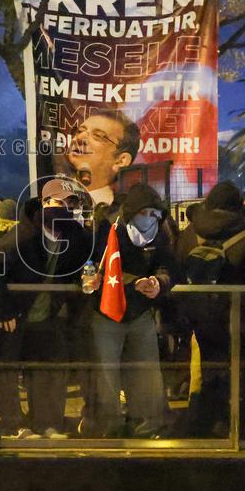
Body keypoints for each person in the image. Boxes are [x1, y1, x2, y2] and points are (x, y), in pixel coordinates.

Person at [0, 178, 91, 439]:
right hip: (16, 314)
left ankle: (47, 422)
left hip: (46, 315)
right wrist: (3, 309)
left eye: (69, 203)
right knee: (8, 370)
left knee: (48, 370)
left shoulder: (74, 236)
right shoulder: (24, 234)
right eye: (57, 202)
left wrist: (85, 279)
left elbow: (82, 263)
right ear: (43, 203)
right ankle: (13, 424)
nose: (63, 208)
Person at [174, 182, 245, 437]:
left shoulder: (190, 233)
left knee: (203, 367)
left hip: (199, 315)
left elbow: (177, 268)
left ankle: (199, 420)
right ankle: (231, 424)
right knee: (236, 368)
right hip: (237, 318)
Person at [81, 183, 174, 438]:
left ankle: (146, 423)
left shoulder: (159, 233)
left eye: (155, 213)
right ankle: (109, 425)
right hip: (107, 312)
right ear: (132, 211)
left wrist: (159, 283)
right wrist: (135, 281)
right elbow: (99, 267)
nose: (150, 218)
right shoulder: (108, 229)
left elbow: (167, 266)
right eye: (145, 212)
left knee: (146, 370)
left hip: (140, 312)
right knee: (106, 373)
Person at [61, 110, 141, 206]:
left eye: (98, 136)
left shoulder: (122, 213)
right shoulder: (47, 193)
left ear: (121, 161)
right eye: (79, 131)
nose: (79, 138)